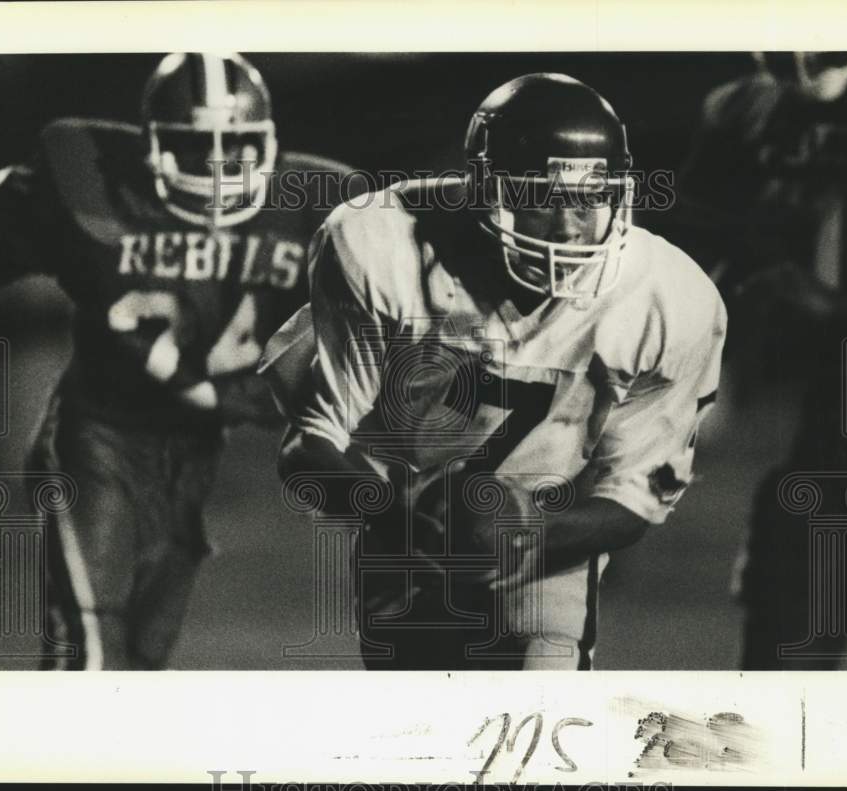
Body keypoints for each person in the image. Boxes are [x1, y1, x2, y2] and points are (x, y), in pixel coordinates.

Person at [266, 73, 727, 670]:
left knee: (535, 724)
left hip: (546, 536)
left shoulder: (669, 296)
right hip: (402, 522)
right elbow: (309, 448)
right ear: (484, 187)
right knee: (421, 736)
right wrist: (408, 523)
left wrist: (522, 538)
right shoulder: (383, 242)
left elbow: (633, 500)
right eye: (542, 195)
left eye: (591, 197)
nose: (568, 227)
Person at [0, 52, 353, 669]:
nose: (220, 167)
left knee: (143, 659)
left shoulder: (318, 210)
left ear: (268, 144)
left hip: (193, 454)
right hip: (99, 435)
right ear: (154, 147)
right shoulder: (93, 179)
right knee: (89, 646)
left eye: (238, 147)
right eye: (197, 147)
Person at [678, 52, 847, 669]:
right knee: (788, 646)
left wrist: (838, 308)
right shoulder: (746, 108)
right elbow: (694, 244)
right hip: (842, 426)